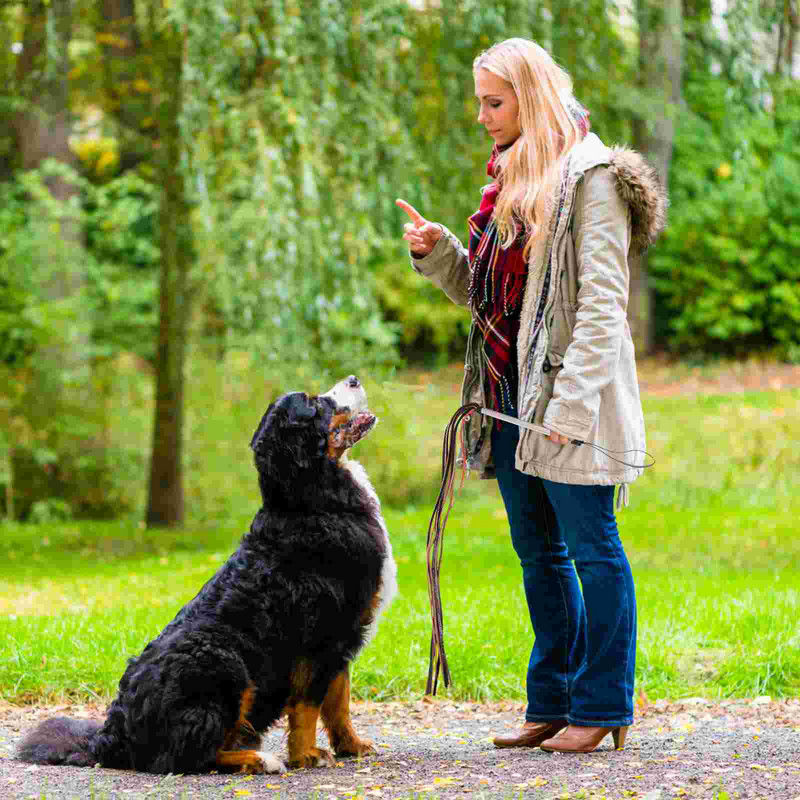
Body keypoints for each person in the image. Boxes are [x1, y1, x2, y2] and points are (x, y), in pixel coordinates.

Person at [396, 38, 666, 754]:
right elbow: (491, 301)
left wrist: (570, 410)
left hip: (568, 402)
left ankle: (605, 704)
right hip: (506, 396)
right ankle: (553, 701)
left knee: (592, 547)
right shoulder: (510, 180)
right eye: (480, 101)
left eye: (495, 101)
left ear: (532, 95)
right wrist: (440, 254)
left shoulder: (592, 179)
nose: (483, 116)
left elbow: (605, 305)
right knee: (538, 554)